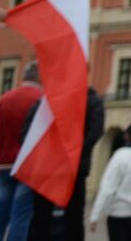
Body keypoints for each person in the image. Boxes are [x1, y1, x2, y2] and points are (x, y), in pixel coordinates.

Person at [23, 85, 105, 241]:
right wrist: (75, 152)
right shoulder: (91, 100)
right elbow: (95, 131)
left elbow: (27, 134)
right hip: (72, 169)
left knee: (40, 219)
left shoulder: (45, 99)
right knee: (72, 220)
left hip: (48, 168)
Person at [0, 60, 41, 241]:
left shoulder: (4, 98)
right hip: (28, 167)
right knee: (20, 217)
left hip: (3, 165)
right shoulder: (41, 99)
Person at [89, 122, 131, 241]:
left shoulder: (120, 156)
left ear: (127, 136)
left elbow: (107, 188)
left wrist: (95, 216)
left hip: (119, 213)